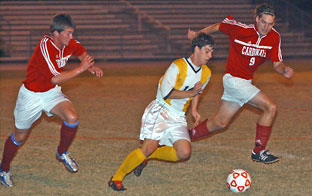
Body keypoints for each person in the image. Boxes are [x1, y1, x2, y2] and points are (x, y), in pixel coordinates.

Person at [0, 14, 103, 187]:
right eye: (68, 33)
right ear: (56, 33)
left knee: (72, 118)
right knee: (19, 136)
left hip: (50, 93)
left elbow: (82, 53)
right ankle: (4, 169)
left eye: (72, 33)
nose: (71, 37)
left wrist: (91, 67)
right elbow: (55, 78)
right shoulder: (45, 47)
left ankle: (62, 153)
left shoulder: (70, 44)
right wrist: (81, 69)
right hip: (31, 96)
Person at [187, 3, 294, 164]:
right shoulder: (240, 29)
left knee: (220, 122)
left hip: (244, 82)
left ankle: (183, 136)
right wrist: (197, 35)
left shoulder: (274, 37)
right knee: (270, 107)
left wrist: (284, 70)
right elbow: (218, 26)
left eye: (270, 24)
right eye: (263, 22)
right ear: (256, 19)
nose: (266, 27)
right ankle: (258, 152)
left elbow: (277, 63)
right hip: (234, 80)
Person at [108, 33, 215, 191]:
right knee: (149, 146)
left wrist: (194, 109)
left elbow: (197, 92)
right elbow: (167, 93)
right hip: (161, 109)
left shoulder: (206, 72)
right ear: (196, 49)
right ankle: (117, 177)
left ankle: (146, 158)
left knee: (184, 152)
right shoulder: (177, 66)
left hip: (178, 116)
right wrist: (191, 93)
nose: (210, 55)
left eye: (212, 52)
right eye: (207, 51)